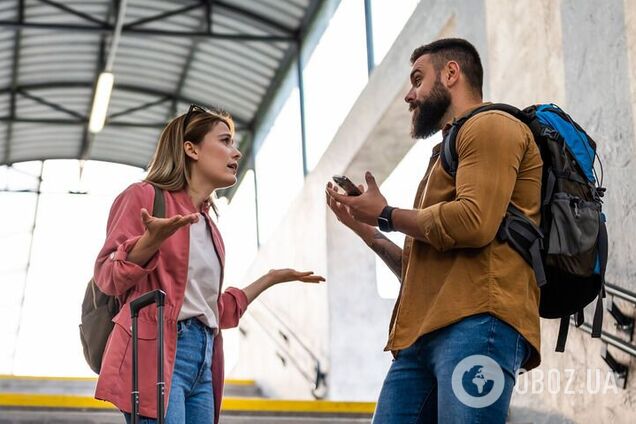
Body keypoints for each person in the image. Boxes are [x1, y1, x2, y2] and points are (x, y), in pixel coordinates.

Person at [325, 38, 542, 423]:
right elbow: (419, 269)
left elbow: (473, 222)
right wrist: (368, 228)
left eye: (417, 79)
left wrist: (387, 214)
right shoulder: (442, 154)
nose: (410, 95)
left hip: (478, 323)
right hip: (421, 337)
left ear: (451, 73)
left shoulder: (491, 125)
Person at [93, 104, 325, 424]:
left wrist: (269, 279)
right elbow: (107, 277)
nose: (236, 152)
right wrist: (148, 242)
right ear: (191, 149)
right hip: (157, 352)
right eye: (226, 141)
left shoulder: (209, 227)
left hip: (204, 360)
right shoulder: (144, 197)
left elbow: (213, 310)